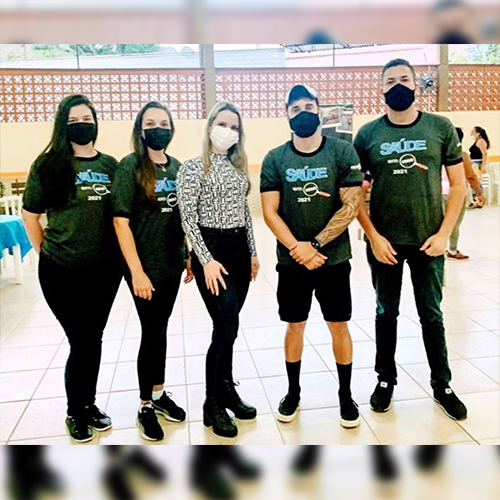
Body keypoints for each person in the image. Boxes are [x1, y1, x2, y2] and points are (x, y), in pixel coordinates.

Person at [354, 58, 468, 421]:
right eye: (390, 81)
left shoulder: (440, 127)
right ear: (381, 89)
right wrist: (373, 236)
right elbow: (353, 193)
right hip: (385, 244)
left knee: (431, 314)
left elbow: (459, 185)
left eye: (405, 79)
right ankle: (385, 380)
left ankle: (442, 384)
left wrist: (444, 234)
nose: (398, 86)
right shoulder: (368, 135)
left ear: (417, 84)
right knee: (385, 313)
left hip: (428, 240)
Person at [260, 84, 364, 428]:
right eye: (295, 109)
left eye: (308, 106)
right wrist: (298, 248)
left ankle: (345, 395)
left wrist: (315, 245)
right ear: (286, 116)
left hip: (334, 261)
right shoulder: (275, 158)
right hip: (292, 263)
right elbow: (270, 212)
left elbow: (351, 206)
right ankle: (293, 392)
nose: (302, 113)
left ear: (319, 111)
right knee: (295, 325)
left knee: (339, 325)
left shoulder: (342, 151)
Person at [22, 94, 122, 443]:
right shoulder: (48, 165)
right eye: (74, 120)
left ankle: (88, 405)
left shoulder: (111, 165)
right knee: (81, 340)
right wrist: (46, 252)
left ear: (96, 123)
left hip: (104, 271)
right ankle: (75, 411)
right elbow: (30, 216)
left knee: (92, 339)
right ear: (63, 126)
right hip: (61, 271)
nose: (82, 125)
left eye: (87, 119)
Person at [177, 101, 260, 438]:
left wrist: (253, 251)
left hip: (239, 249)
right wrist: (205, 259)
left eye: (234, 127)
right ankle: (211, 403)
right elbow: (187, 218)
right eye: (222, 124)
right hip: (210, 249)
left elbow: (245, 212)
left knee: (230, 326)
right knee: (225, 325)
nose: (228, 131)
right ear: (210, 125)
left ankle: (226, 390)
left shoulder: (239, 167)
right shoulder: (192, 168)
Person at [112, 102, 190, 442]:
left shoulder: (177, 167)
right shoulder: (130, 166)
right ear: (140, 130)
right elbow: (121, 222)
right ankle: (145, 404)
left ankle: (158, 394)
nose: (159, 129)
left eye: (164, 123)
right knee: (152, 329)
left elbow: (183, 217)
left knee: (161, 328)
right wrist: (137, 272)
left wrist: (188, 254)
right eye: (151, 123)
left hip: (172, 263)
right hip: (144, 267)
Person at [444, 127, 485, 260]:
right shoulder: (462, 155)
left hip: (437, 192)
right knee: (454, 221)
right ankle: (452, 250)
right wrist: (479, 193)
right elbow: (471, 176)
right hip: (456, 192)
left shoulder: (437, 153)